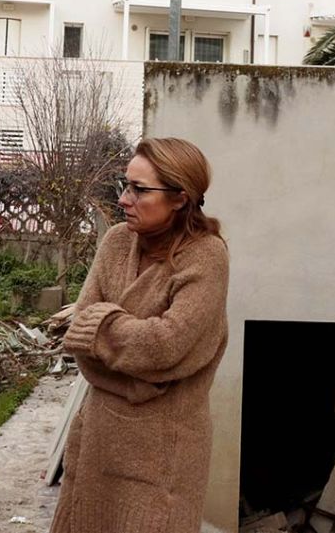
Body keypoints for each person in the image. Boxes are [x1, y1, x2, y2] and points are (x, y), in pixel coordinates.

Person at [50, 137, 229, 533]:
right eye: (124, 185)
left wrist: (101, 330)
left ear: (180, 198)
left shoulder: (207, 256)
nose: (123, 199)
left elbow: (165, 346)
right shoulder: (116, 242)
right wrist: (140, 378)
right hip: (96, 444)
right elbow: (81, 338)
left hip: (161, 460)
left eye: (138, 189)